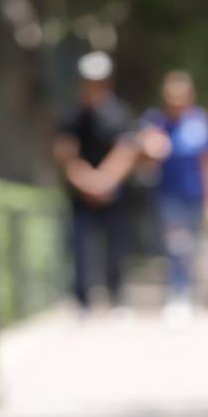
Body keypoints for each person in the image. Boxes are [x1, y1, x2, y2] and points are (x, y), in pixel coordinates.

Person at [138, 71, 208, 324]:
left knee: (193, 248)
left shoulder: (203, 122)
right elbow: (140, 159)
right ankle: (176, 296)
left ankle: (190, 293)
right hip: (168, 195)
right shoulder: (155, 123)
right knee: (175, 246)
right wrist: (149, 150)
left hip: (195, 195)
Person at [53, 52, 136, 312]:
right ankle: (82, 302)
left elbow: (127, 150)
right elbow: (66, 154)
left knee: (116, 248)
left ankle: (117, 297)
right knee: (79, 247)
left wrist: (106, 180)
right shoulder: (72, 115)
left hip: (113, 192)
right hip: (81, 193)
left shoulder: (120, 113)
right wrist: (87, 181)